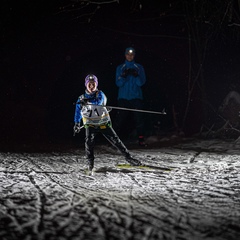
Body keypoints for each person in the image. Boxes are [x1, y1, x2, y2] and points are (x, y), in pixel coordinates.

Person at [73, 74, 142, 172]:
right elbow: (77, 111)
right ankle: (90, 162)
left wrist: (87, 100)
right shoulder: (81, 98)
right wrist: (76, 123)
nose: (92, 86)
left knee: (116, 140)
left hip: (103, 122)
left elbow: (99, 102)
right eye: (89, 84)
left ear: (96, 85)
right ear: (86, 85)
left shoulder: (100, 94)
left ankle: (129, 158)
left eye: (93, 84)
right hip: (90, 124)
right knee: (89, 142)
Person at [115, 47, 147, 146]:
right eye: (128, 54)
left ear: (134, 55)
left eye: (132, 54)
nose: (130, 56)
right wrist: (124, 76)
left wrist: (136, 75)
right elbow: (118, 83)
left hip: (136, 97)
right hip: (123, 97)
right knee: (120, 119)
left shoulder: (139, 67)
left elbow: (141, 83)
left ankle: (141, 140)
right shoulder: (120, 67)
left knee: (139, 119)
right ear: (125, 55)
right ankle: (114, 140)